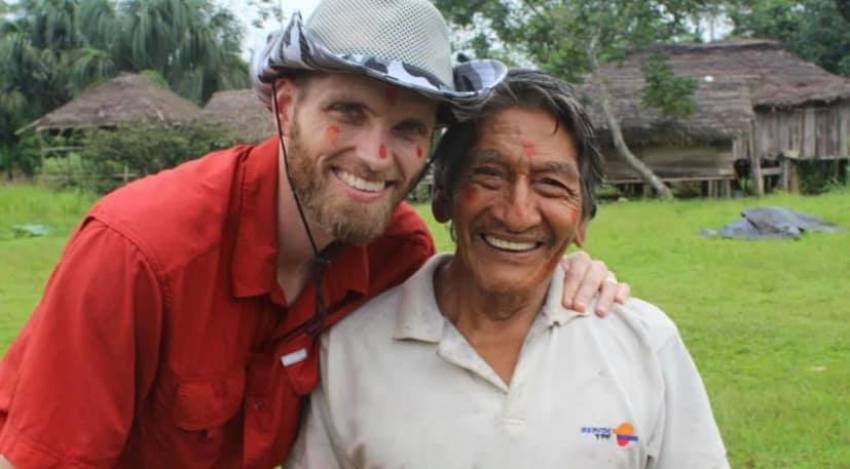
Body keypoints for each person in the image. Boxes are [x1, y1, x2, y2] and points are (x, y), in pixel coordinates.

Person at [0, 1, 629, 467]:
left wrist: (558, 276)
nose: (375, 156)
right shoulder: (139, 253)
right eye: (347, 112)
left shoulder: (394, 254)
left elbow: (479, 285)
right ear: (283, 106)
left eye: (408, 129)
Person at [288, 69, 729, 469]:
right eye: (490, 175)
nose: (518, 215)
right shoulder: (348, 352)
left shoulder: (646, 344)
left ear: (581, 219)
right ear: (442, 196)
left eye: (551, 184)